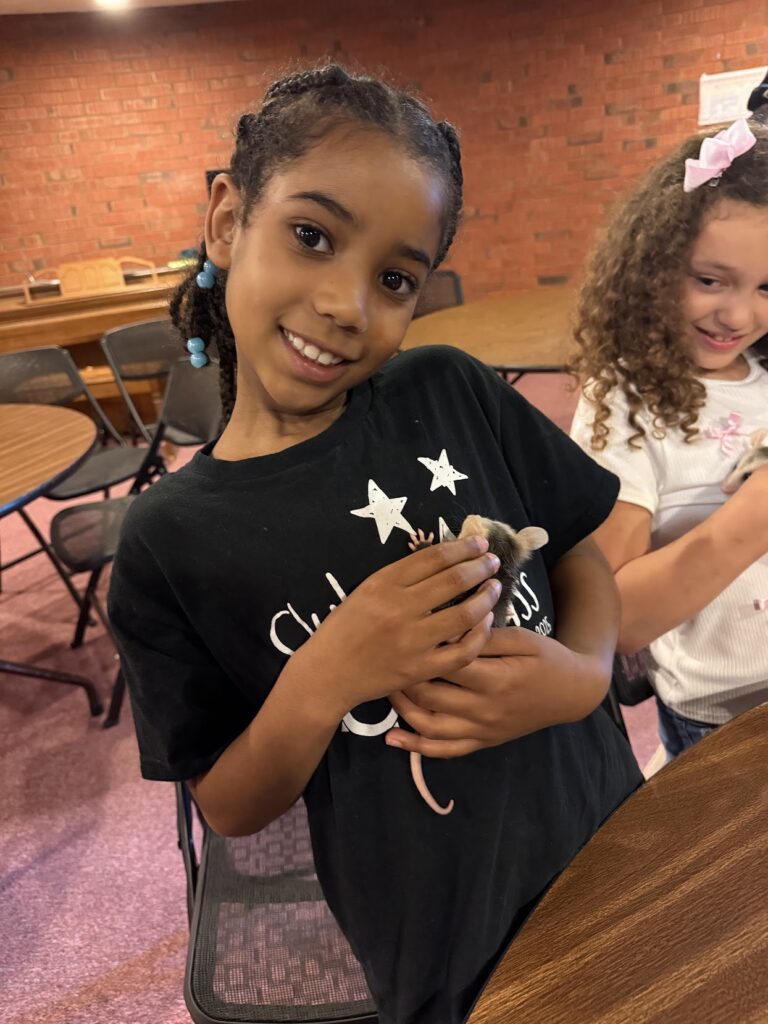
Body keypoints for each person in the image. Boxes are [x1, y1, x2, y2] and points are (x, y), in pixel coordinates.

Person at [108, 63, 641, 1024]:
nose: (348, 305)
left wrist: (582, 674)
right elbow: (228, 804)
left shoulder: (451, 388)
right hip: (447, 946)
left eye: (395, 278)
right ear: (227, 220)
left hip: (614, 835)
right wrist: (327, 674)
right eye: (311, 236)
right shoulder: (168, 539)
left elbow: (576, 551)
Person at [569, 115, 768, 763]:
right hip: (722, 721)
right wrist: (750, 520)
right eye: (709, 280)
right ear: (654, 266)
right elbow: (613, 619)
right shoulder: (625, 400)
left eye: (767, 287)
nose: (737, 315)